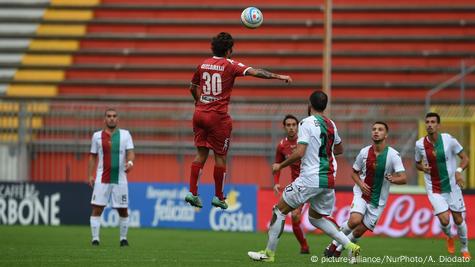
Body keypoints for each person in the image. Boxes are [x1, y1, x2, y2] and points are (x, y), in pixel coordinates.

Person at [247, 90, 360, 262]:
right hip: (328, 180)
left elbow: (300, 152)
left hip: (309, 178)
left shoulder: (305, 123)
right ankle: (351, 246)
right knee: (315, 218)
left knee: (279, 210)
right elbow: (339, 149)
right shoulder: (331, 124)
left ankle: (268, 254)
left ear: (309, 104)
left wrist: (280, 165)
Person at [185, 32, 292, 209]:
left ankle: (192, 192)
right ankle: (218, 196)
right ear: (228, 50)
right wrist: (279, 76)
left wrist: (198, 101)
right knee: (220, 157)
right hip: (218, 118)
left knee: (201, 154)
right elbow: (256, 72)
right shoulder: (230, 65)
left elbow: (192, 87)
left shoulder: (203, 64)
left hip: (199, 114)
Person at [324, 122, 407, 258]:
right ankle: (333, 244)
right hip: (361, 194)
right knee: (355, 220)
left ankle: (339, 249)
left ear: (386, 135)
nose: (376, 131)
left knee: (357, 233)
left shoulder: (393, 155)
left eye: (380, 130)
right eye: (374, 129)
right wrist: (361, 184)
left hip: (378, 200)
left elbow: (403, 178)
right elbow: (354, 173)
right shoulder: (364, 152)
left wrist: (393, 178)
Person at [415, 112, 470, 259]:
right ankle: (449, 236)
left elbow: (465, 158)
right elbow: (417, 164)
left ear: (438, 125)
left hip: (452, 187)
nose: (430, 124)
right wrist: (423, 168)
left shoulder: (449, 140)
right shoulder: (419, 144)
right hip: (434, 189)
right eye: (427, 122)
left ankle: (464, 248)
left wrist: (459, 171)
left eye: (433, 122)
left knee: (458, 219)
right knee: (445, 219)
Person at [88, 108, 135, 247]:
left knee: (123, 210)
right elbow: (92, 156)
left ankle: (123, 239)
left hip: (120, 179)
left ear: (118, 119)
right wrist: (90, 174)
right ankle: (95, 239)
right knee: (97, 209)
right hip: (102, 178)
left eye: (114, 116)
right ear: (105, 119)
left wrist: (130, 162)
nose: (112, 118)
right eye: (109, 116)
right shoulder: (97, 136)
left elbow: (131, 152)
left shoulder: (125, 135)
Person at [273, 114, 310, 254]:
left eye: (294, 125)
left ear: (298, 126)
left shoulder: (305, 142)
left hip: (313, 182)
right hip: (298, 186)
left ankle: (340, 242)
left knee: (320, 216)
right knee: (294, 216)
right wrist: (276, 182)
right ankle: (304, 246)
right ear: (284, 127)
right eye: (288, 125)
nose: (291, 128)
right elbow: (277, 165)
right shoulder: (282, 146)